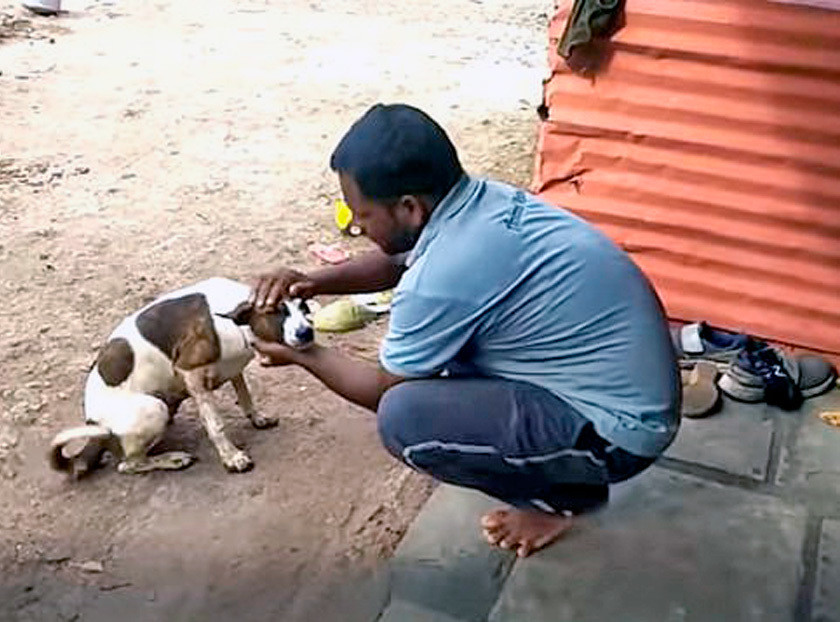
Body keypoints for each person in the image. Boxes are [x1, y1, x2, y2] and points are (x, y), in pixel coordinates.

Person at [250, 103, 680, 558]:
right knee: (450, 357)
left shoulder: (444, 277)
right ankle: (566, 475)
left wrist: (303, 354)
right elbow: (400, 258)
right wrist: (314, 280)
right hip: (626, 389)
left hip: (621, 435)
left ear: (410, 208)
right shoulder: (481, 203)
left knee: (405, 417)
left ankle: (560, 501)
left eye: (363, 215)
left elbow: (382, 387)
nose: (355, 225)